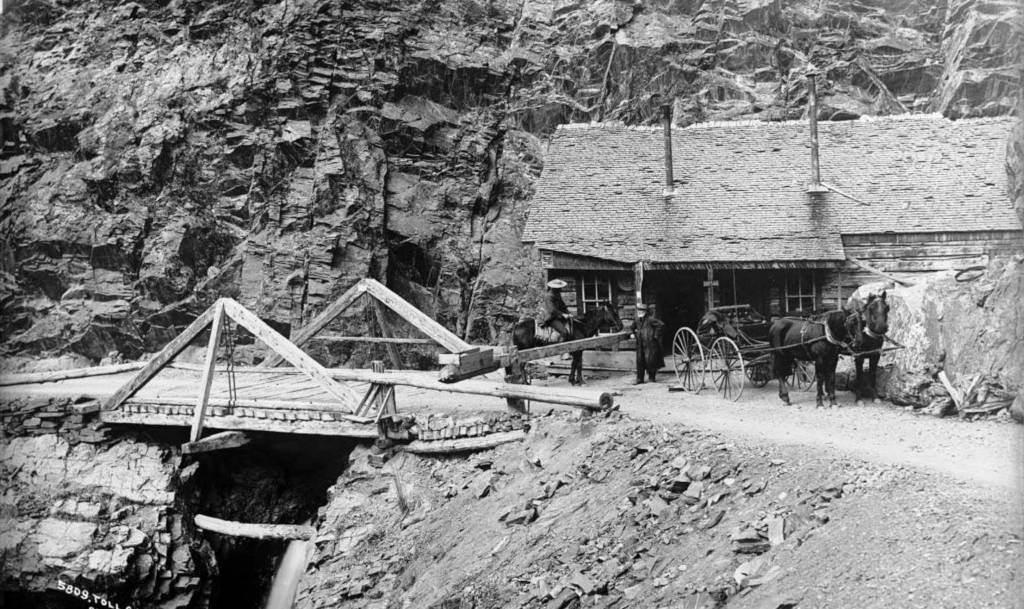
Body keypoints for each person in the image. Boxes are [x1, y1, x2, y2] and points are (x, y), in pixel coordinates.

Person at [633, 303, 664, 384]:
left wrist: (655, 335)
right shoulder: (637, 320)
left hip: (650, 344)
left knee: (650, 361)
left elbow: (661, 325)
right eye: (639, 311)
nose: (640, 312)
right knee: (640, 361)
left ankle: (651, 378)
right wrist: (634, 334)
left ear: (646, 312)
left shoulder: (650, 319)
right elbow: (632, 327)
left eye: (642, 311)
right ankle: (640, 379)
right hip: (640, 344)